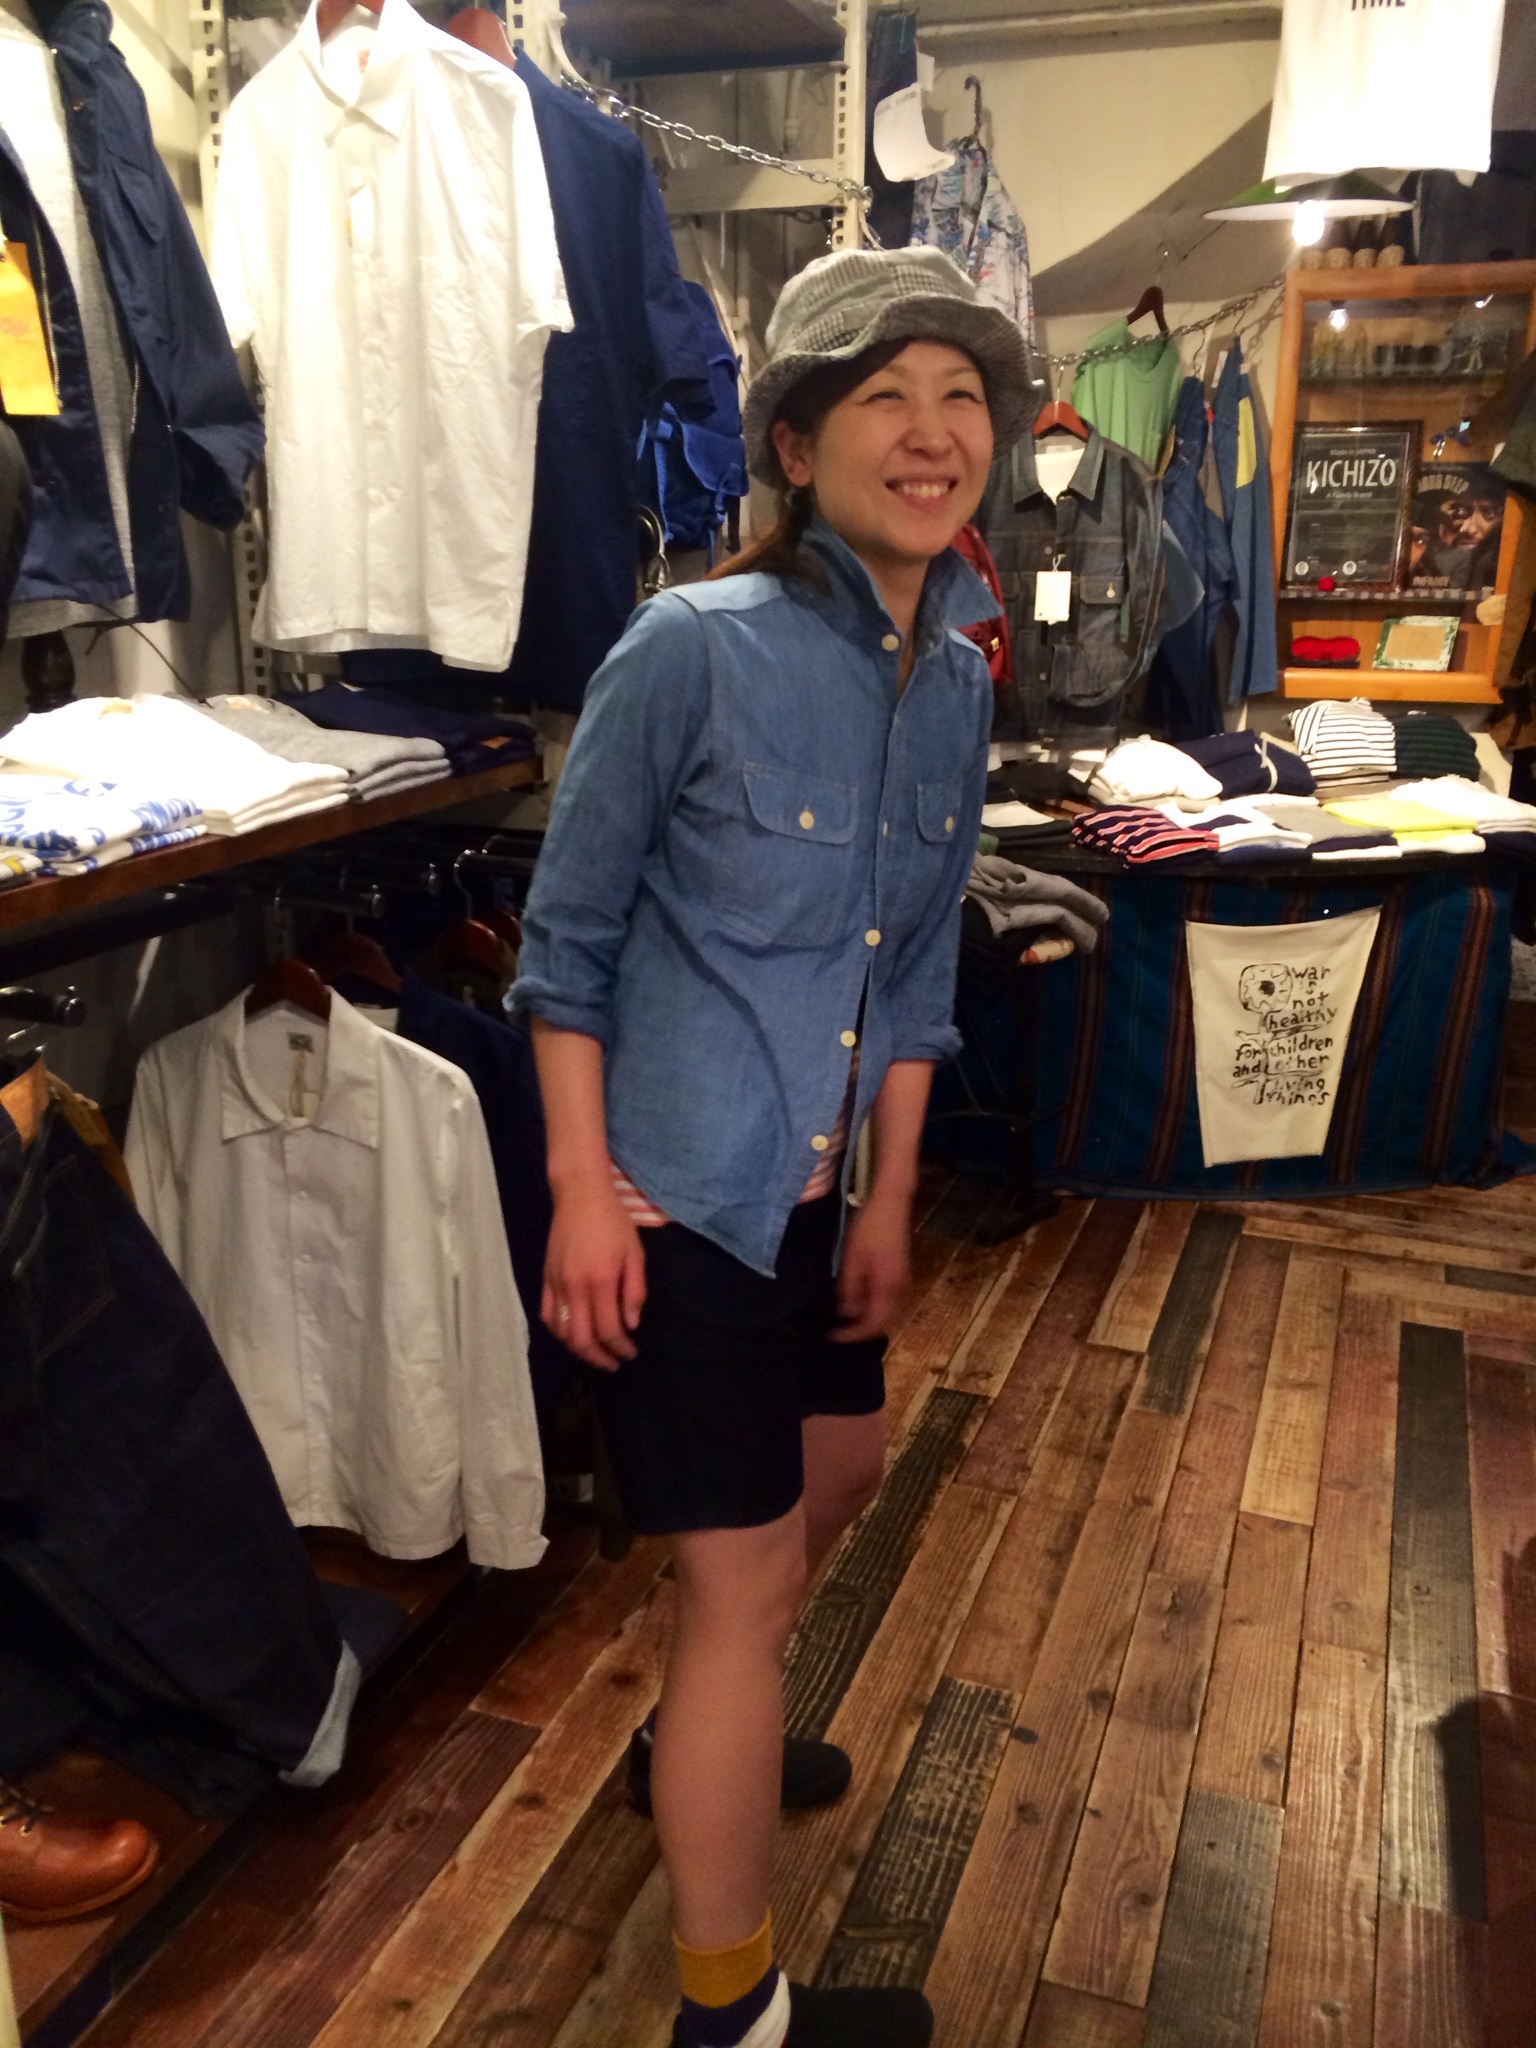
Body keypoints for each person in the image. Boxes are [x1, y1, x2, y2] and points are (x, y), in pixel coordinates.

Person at [511, 246, 1033, 2048]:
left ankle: (696, 1734)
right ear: (798, 448)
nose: (933, 429)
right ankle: (730, 2014)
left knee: (838, 1478)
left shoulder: (955, 677)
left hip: (825, 1195)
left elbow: (916, 960)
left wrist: (893, 1192)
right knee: (740, 1589)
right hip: (683, 1199)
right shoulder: (690, 650)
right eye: (886, 394)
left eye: (962, 395)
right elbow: (564, 946)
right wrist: (582, 1194)